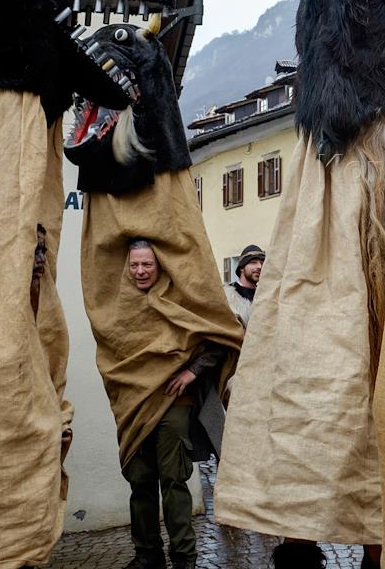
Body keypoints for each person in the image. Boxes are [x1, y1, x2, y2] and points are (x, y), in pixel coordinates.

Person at [122, 240, 230, 569]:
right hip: (134, 406)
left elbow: (218, 337)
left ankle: (184, 557)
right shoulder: (118, 305)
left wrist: (190, 372)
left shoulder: (180, 300)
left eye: (147, 264)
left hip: (173, 402)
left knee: (173, 480)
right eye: (134, 265)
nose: (140, 271)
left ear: (160, 266)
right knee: (139, 480)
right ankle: (147, 555)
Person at [223, 244, 264, 329]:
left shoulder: (265, 296)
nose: (259, 267)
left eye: (262, 263)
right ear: (242, 267)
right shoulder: (225, 296)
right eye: (253, 262)